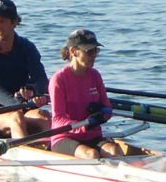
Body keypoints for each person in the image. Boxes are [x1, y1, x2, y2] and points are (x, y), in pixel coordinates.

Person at [45, 30, 130, 159]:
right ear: (74, 51)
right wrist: (84, 125)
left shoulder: (95, 75)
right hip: (65, 138)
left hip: (92, 136)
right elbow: (58, 120)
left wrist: (103, 114)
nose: (94, 55)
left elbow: (107, 109)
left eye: (96, 51)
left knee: (115, 151)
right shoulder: (59, 79)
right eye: (89, 51)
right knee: (92, 154)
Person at [0, 0, 49, 138]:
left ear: (14, 22)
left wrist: (33, 90)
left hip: (18, 107)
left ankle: (54, 155)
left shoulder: (26, 47)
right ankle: (26, 158)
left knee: (44, 117)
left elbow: (41, 79)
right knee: (16, 118)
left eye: (2, 21)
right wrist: (20, 104)